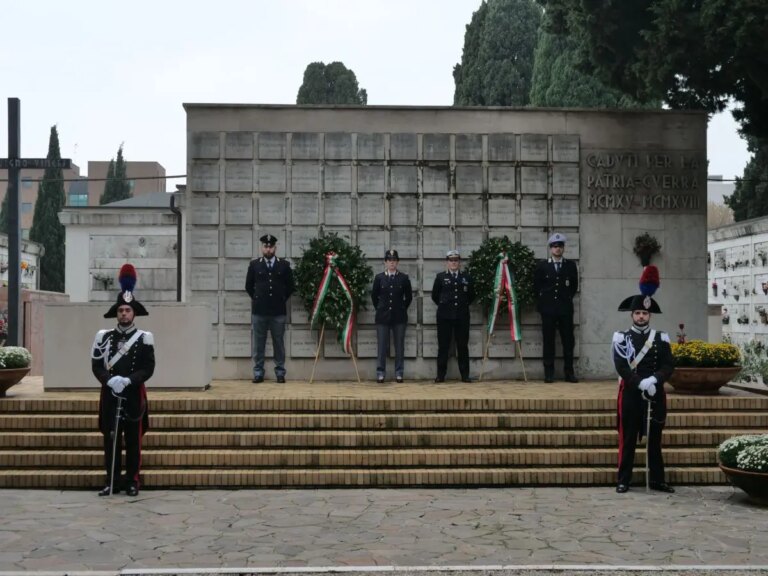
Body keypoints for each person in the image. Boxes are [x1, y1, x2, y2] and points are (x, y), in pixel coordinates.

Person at [91, 264, 155, 497]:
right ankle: (112, 480)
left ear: (134, 313)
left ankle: (132, 481)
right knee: (111, 438)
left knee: (133, 439)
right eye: (121, 310)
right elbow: (96, 365)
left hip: (132, 393)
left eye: (127, 310)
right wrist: (109, 380)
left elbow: (149, 368)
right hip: (110, 393)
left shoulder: (144, 339)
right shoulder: (103, 337)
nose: (124, 314)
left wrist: (129, 381)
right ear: (116, 313)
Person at [612, 266, 675, 494]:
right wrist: (639, 382)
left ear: (650, 315)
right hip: (631, 392)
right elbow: (620, 366)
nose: (641, 316)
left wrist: (655, 380)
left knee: (654, 440)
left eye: (645, 314)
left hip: (654, 393)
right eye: (637, 313)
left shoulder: (661, 338)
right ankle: (623, 480)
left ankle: (657, 480)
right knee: (628, 438)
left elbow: (669, 365)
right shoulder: (621, 337)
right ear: (632, 315)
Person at [245, 234, 295, 383]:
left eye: (271, 246)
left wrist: (280, 299)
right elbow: (248, 286)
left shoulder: (284, 265)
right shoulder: (254, 265)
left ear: (275, 248)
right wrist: (257, 299)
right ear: (262, 248)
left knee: (278, 343)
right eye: (265, 246)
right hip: (259, 311)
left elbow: (290, 287)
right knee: (259, 343)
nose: (268, 249)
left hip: (278, 311)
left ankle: (280, 372)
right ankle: (258, 372)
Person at [533, 232, 579, 383]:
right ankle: (549, 372)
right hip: (548, 310)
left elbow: (573, 287)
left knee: (568, 341)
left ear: (563, 248)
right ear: (550, 248)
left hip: (565, 309)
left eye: (560, 246)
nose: (557, 249)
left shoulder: (570, 266)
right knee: (548, 341)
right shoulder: (542, 266)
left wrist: (564, 301)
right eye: (554, 246)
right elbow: (536, 287)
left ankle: (569, 372)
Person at [431, 249, 475, 383]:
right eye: (451, 260)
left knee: (462, 346)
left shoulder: (466, 277)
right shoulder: (440, 277)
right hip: (444, 317)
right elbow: (435, 296)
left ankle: (465, 375)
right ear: (447, 262)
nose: (454, 263)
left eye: (456, 260)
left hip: (462, 316)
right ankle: (440, 375)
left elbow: (471, 296)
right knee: (443, 346)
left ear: (459, 262)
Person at [371, 249, 413, 383]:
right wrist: (380, 308)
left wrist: (401, 308)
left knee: (399, 346)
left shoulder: (404, 278)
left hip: (399, 317)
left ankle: (399, 372)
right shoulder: (379, 278)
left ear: (397, 262)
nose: (392, 263)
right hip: (383, 316)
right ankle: (380, 372)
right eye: (389, 260)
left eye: (394, 260)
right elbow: (374, 296)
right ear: (385, 262)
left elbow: (409, 297)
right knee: (382, 346)